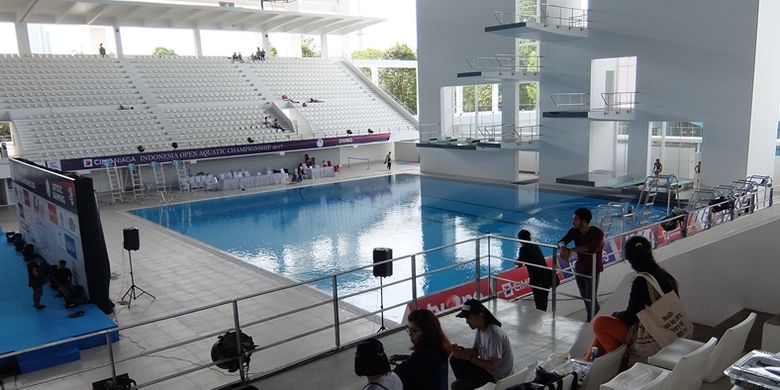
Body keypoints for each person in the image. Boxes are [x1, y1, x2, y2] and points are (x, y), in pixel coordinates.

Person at [585, 236, 680, 359]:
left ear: (630, 261)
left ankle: (623, 364)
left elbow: (631, 317)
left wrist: (617, 315)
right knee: (604, 329)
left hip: (653, 335)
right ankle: (587, 363)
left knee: (600, 323)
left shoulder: (642, 281)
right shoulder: (666, 276)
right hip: (670, 328)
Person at [450, 299, 513, 390]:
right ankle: (467, 383)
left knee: (456, 386)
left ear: (480, 316)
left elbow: (493, 366)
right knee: (455, 358)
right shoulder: (480, 329)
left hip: (497, 378)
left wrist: (469, 357)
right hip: (488, 371)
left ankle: (467, 385)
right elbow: (476, 351)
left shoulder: (494, 335)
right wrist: (461, 351)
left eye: (469, 318)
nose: (467, 321)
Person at [559, 207, 604, 322]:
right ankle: (591, 319)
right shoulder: (574, 231)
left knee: (590, 298)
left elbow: (592, 248)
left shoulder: (597, 233)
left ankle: (596, 320)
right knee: (585, 297)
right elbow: (561, 241)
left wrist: (572, 250)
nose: (573, 222)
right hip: (580, 268)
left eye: (575, 220)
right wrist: (563, 248)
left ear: (584, 222)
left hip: (593, 269)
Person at [390, 309, 451, 390]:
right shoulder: (439, 347)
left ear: (428, 332)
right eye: (409, 329)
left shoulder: (424, 354)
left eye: (415, 330)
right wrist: (404, 357)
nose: (410, 334)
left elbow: (394, 377)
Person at [517, 230, 555, 311]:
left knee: (539, 304)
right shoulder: (536, 246)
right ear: (530, 237)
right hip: (546, 276)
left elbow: (519, 263)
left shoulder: (523, 249)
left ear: (520, 240)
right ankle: (543, 318)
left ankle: (541, 321)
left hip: (537, 279)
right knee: (544, 301)